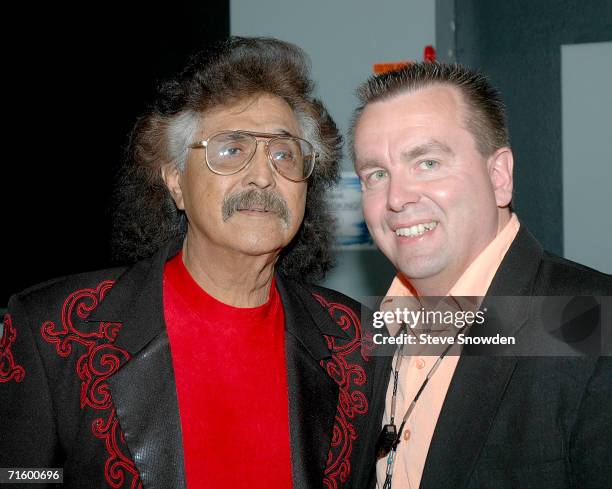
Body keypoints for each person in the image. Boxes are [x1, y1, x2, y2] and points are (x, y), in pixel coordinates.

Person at [0, 37, 388, 489]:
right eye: (231, 149)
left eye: (284, 153)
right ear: (176, 181)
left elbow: (480, 335)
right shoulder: (57, 330)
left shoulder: (356, 340)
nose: (263, 174)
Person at [350, 62, 612, 488]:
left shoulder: (596, 324)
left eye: (428, 162)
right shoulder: (361, 337)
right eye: (376, 175)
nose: (396, 198)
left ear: (499, 176)